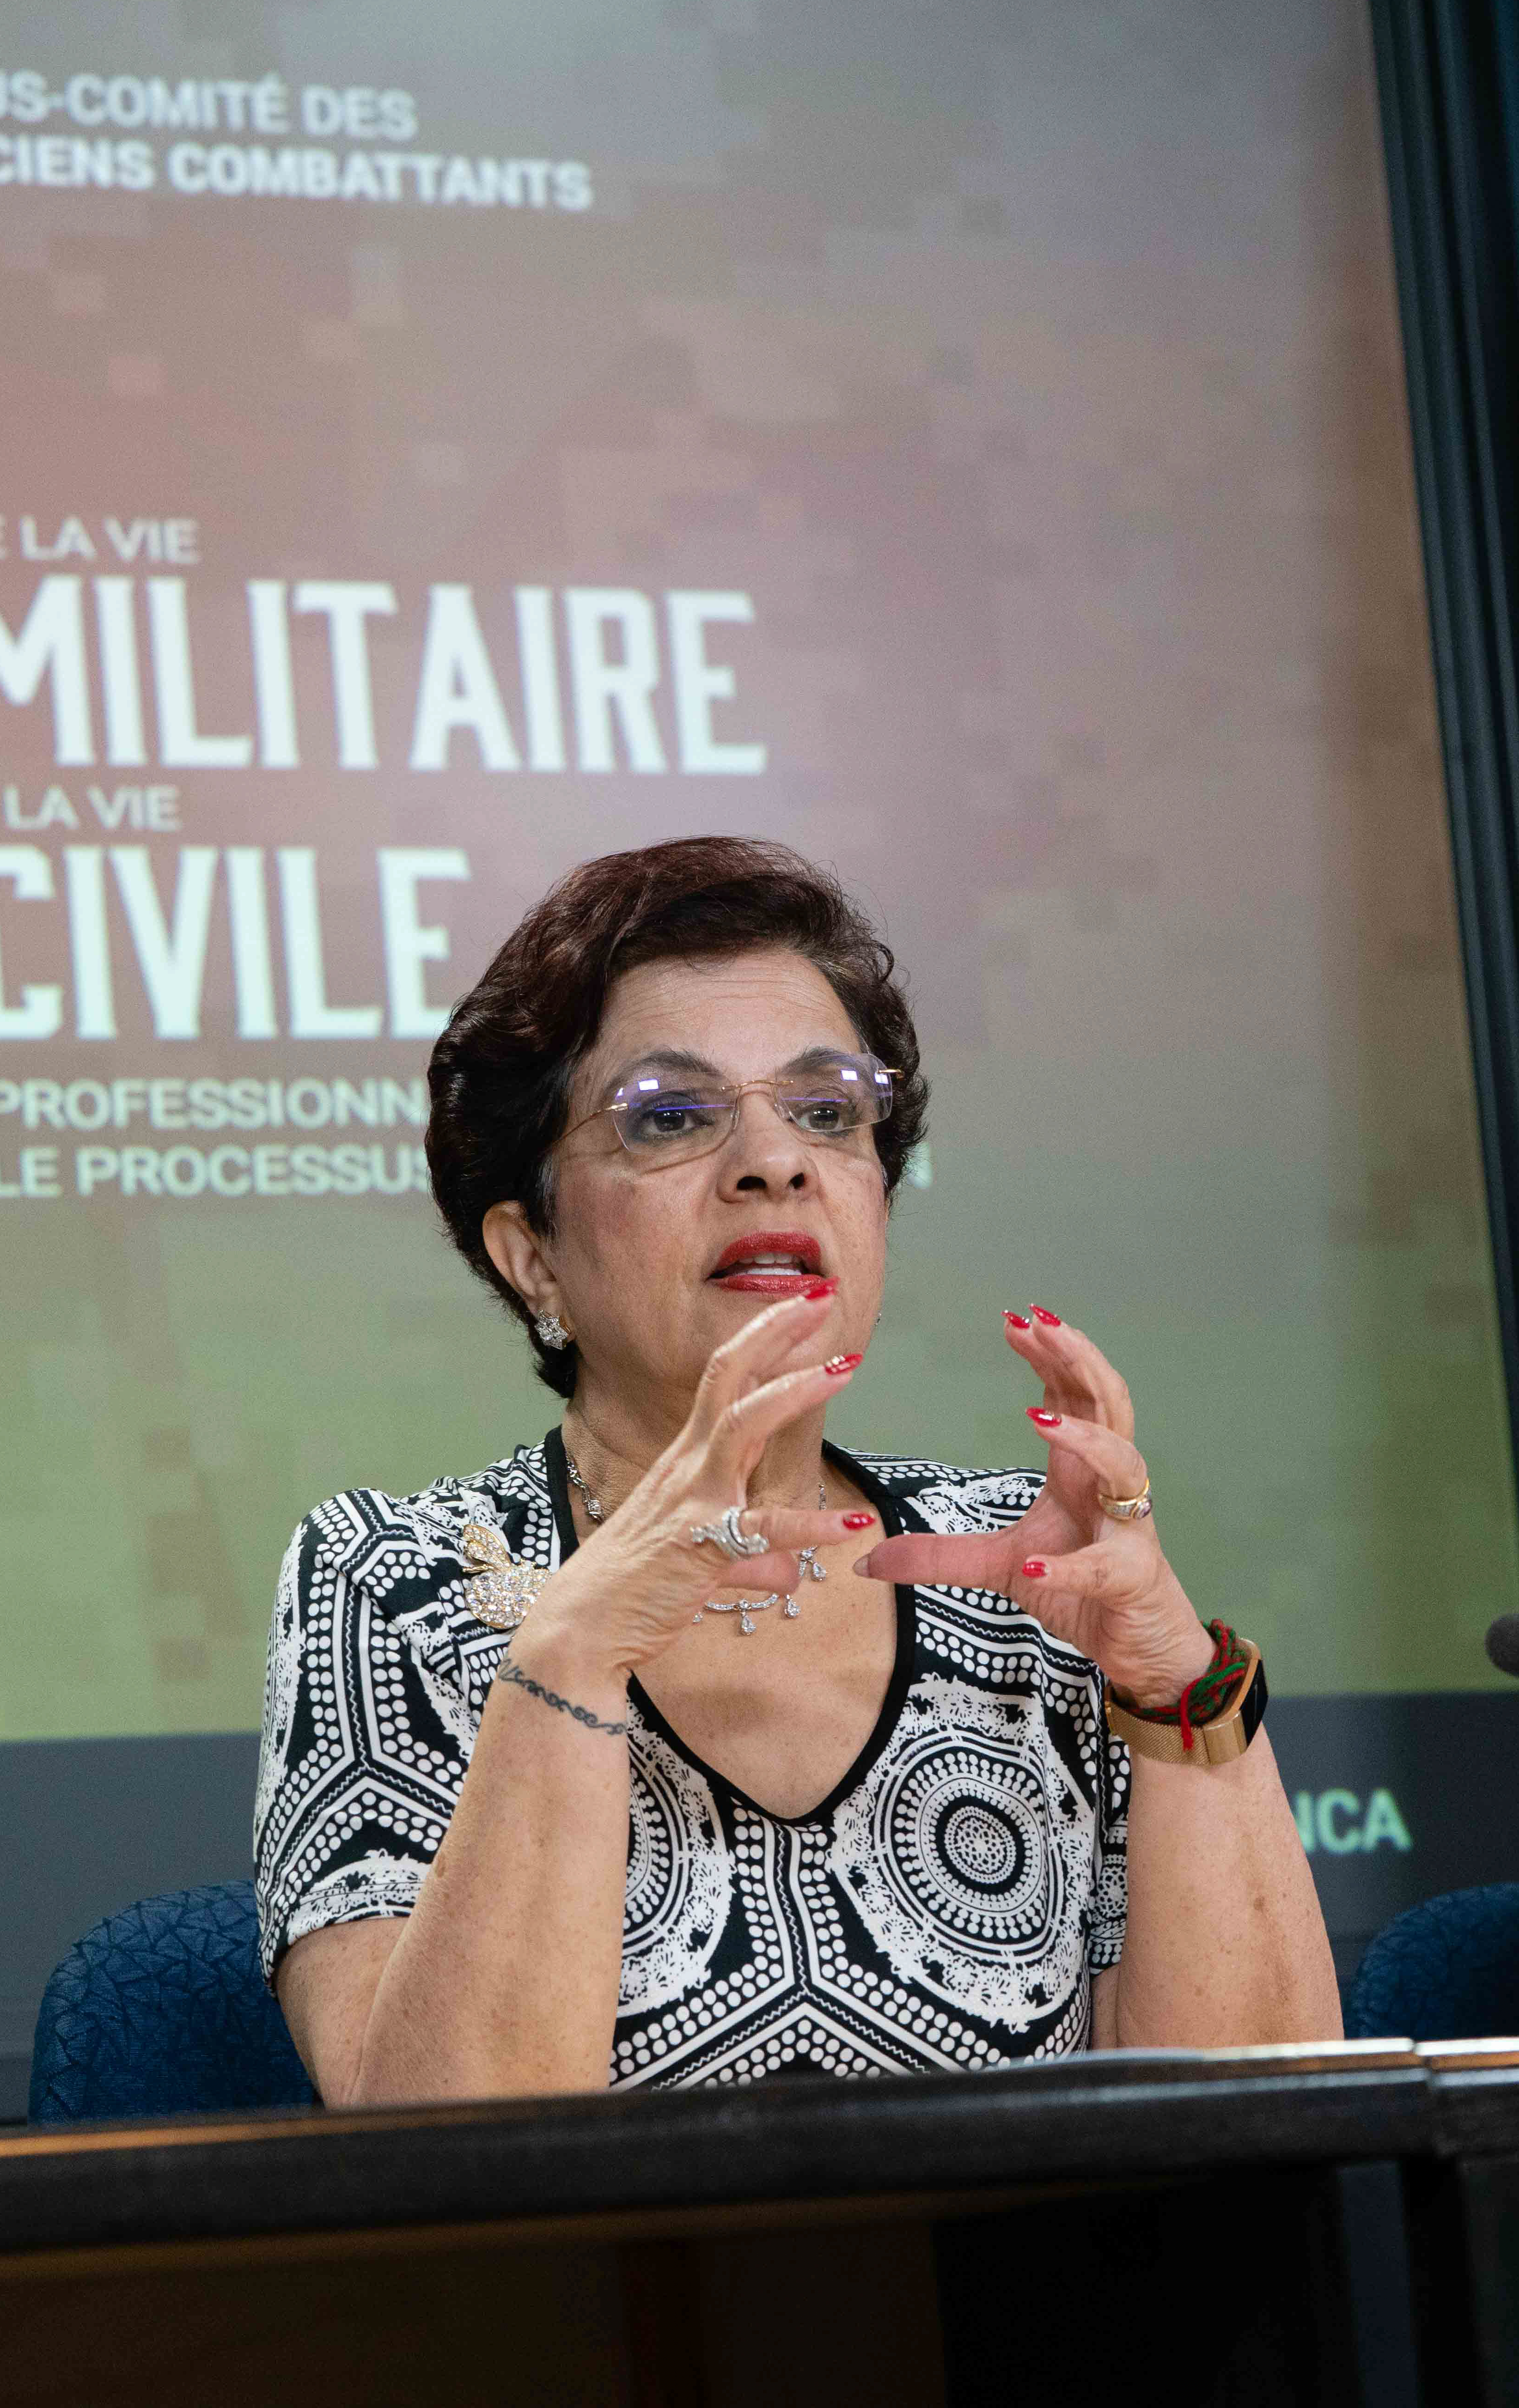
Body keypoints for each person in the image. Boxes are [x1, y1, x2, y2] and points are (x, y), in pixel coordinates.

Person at [255, 836, 1337, 2099]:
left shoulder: (1027, 1564)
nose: (776, 1160)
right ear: (531, 1254)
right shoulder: (402, 1583)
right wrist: (576, 1653)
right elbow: (443, 2162)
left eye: (827, 1111)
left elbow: (1264, 2140)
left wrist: (1171, 1685)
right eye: (670, 1115)